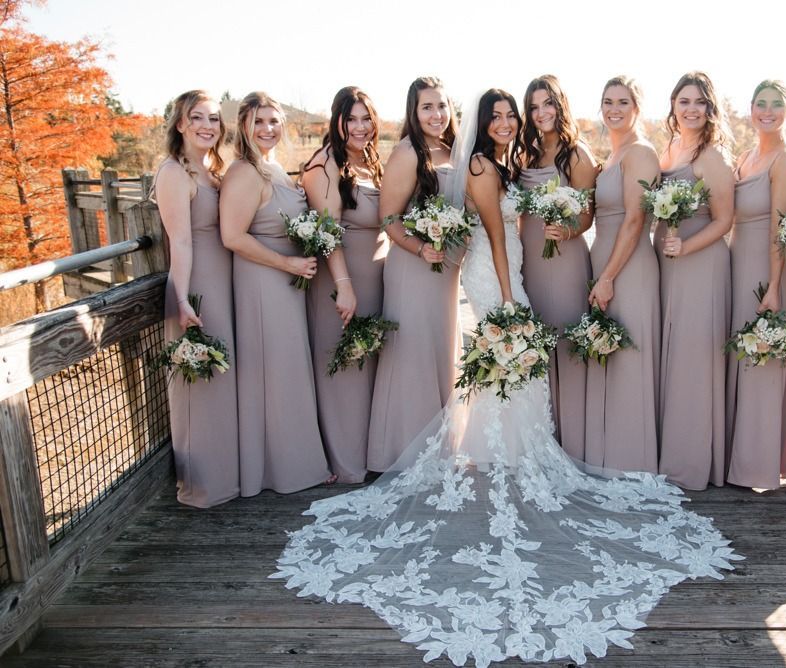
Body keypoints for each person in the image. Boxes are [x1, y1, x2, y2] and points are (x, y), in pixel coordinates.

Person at [273, 89, 741, 667]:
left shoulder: (505, 161)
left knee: (512, 364)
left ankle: (513, 446)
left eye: (508, 113)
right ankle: (510, 449)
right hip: (497, 271)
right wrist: (509, 294)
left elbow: (562, 211)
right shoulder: (479, 165)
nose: (504, 121)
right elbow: (496, 235)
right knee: (512, 355)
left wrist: (561, 235)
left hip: (508, 267)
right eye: (495, 114)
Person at [220, 92, 331, 496]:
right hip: (264, 282)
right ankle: (283, 470)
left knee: (287, 372)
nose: (268, 129)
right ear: (244, 125)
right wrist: (287, 265)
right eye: (259, 121)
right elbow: (232, 236)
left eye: (274, 121)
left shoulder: (273, 169)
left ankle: (295, 462)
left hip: (288, 280)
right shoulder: (244, 172)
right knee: (276, 372)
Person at [366, 77, 461, 472]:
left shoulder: (455, 149)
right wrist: (421, 246)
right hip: (413, 266)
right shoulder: (408, 151)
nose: (436, 114)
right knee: (412, 357)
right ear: (413, 111)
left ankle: (441, 449)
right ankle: (401, 453)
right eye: (427, 107)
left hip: (445, 271)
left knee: (440, 353)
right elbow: (388, 217)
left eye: (441, 106)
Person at [156, 90, 238, 507]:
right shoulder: (174, 172)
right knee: (200, 386)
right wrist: (183, 299)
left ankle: (229, 476)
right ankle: (203, 487)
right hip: (196, 286)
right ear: (180, 124)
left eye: (213, 118)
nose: (208, 125)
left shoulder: (214, 168)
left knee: (223, 380)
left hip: (225, 282)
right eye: (198, 118)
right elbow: (181, 242)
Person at [725, 80, 786, 490]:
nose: (767, 111)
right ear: (751, 109)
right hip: (739, 267)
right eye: (761, 104)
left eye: (776, 105)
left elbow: (782, 231)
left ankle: (758, 468)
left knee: (763, 366)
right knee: (742, 362)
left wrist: (774, 287)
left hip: (767, 272)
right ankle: (737, 458)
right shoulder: (748, 155)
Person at [656, 71, 734, 490]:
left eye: (699, 102)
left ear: (710, 108)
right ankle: (670, 451)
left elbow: (725, 220)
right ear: (673, 105)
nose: (691, 109)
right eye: (684, 101)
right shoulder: (669, 149)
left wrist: (686, 248)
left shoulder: (713, 156)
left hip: (701, 264)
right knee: (674, 354)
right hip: (669, 263)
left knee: (693, 359)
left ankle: (692, 463)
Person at [302, 87, 383, 484]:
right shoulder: (325, 164)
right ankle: (345, 464)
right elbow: (326, 232)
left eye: (366, 118)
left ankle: (366, 455)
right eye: (351, 119)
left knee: (366, 367)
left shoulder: (371, 161)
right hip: (340, 283)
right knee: (342, 369)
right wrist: (344, 286)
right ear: (336, 121)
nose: (360, 127)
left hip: (376, 278)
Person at [517, 75, 598, 458]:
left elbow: (587, 216)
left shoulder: (576, 154)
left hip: (564, 259)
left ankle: (575, 443)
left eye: (547, 104)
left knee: (565, 342)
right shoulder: (526, 153)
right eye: (533, 107)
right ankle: (542, 439)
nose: (540, 113)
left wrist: (565, 231)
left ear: (560, 105)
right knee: (538, 345)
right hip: (530, 259)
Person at [583, 76, 661, 473]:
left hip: (628, 267)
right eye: (608, 101)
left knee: (629, 357)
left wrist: (609, 276)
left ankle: (632, 459)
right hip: (604, 263)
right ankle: (606, 454)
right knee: (607, 355)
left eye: (623, 102)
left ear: (637, 108)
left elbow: (635, 220)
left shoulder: (641, 153)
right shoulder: (610, 156)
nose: (614, 109)